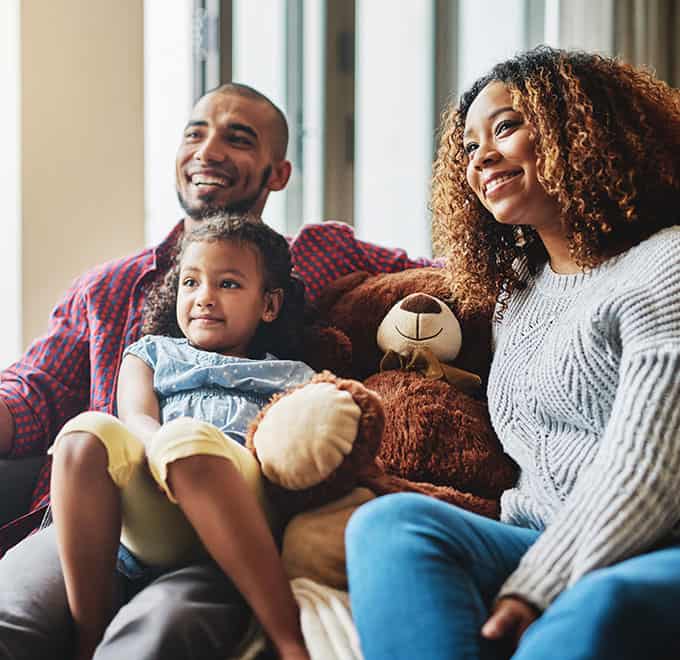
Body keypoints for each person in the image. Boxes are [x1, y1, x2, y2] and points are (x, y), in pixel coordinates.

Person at [0, 82, 431, 659]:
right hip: (99, 513)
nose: (208, 150)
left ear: (278, 173)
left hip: (226, 520)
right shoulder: (109, 287)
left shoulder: (325, 258)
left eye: (238, 138)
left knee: (156, 637)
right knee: (10, 618)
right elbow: (33, 392)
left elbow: (444, 282)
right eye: (195, 134)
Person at [346, 46, 680, 660]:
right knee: (387, 526)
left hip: (656, 544)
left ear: (580, 131)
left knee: (601, 603)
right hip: (532, 537)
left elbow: (649, 472)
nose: (482, 159)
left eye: (505, 127)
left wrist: (534, 589)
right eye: (469, 147)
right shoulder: (518, 295)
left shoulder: (667, 263)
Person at [50, 214, 313, 660]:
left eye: (227, 285)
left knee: (188, 442)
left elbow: (295, 448)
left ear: (269, 305)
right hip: (155, 497)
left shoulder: (293, 376)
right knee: (82, 436)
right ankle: (88, 640)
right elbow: (134, 415)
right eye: (191, 283)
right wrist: (158, 446)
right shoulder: (150, 353)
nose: (204, 298)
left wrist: (179, 443)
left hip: (240, 499)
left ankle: (289, 639)